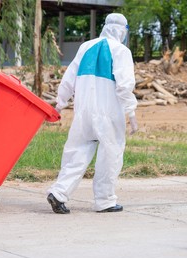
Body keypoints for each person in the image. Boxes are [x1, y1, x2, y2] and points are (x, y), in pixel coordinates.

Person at [46, 13, 138, 214]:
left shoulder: (85, 47)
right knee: (110, 155)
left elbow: (68, 79)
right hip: (109, 114)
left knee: (77, 153)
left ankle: (59, 192)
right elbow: (124, 86)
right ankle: (105, 201)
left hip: (84, 112)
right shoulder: (121, 51)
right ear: (123, 30)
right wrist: (131, 114)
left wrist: (60, 104)